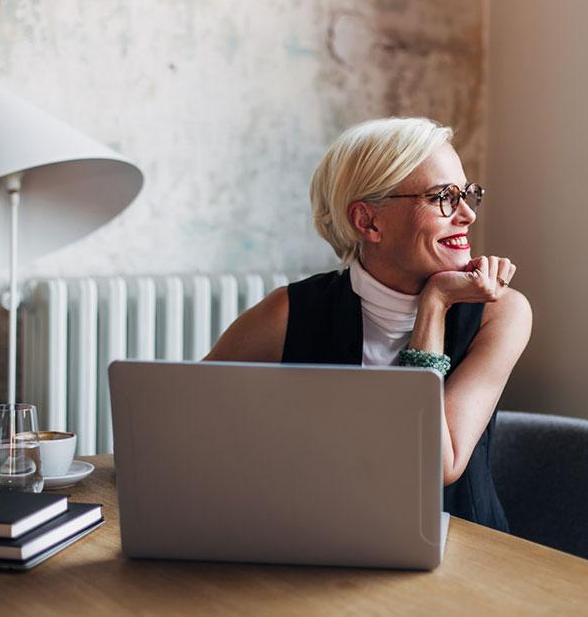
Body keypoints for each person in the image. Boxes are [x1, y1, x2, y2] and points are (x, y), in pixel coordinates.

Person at [206, 117, 532, 532]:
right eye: (442, 198)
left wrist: (435, 304)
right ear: (368, 222)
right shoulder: (288, 313)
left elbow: (437, 464)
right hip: (317, 544)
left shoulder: (502, 312)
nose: (467, 214)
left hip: (462, 558)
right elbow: (186, 423)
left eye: (467, 195)